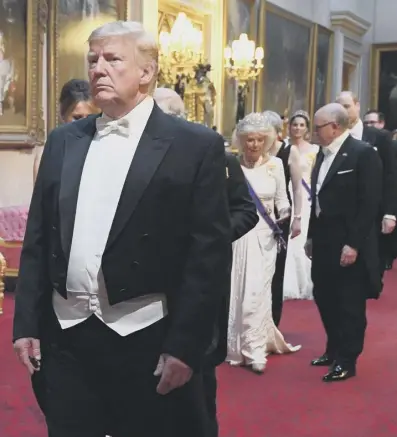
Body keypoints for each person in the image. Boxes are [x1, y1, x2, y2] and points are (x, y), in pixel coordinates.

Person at [13, 21, 231, 437]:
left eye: (113, 59)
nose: (98, 69)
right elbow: (38, 238)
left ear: (147, 72)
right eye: (93, 59)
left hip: (146, 336)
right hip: (67, 337)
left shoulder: (194, 145)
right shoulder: (63, 140)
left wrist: (186, 347)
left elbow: (209, 257)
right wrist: (25, 324)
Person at [154, 86, 258, 437]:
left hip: (201, 280)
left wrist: (210, 236)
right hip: (149, 290)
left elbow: (246, 210)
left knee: (197, 389)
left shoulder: (218, 157)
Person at [307, 103, 382, 382]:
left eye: (318, 127)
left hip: (350, 242)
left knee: (348, 303)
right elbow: (317, 198)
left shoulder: (362, 154)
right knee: (324, 296)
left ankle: (347, 360)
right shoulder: (321, 154)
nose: (314, 132)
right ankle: (334, 347)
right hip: (324, 241)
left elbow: (368, 203)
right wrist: (311, 237)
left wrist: (353, 244)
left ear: (335, 127)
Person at [227, 112, 301, 374]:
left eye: (259, 140)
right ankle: (236, 345)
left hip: (265, 237)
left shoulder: (276, 166)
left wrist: (284, 213)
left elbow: (282, 199)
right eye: (249, 140)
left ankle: (255, 348)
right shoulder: (232, 166)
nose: (254, 145)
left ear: (267, 140)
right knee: (238, 291)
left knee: (257, 294)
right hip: (238, 237)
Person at [336, 91, 397, 277]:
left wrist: (390, 212)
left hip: (373, 212)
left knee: (370, 271)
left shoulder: (379, 137)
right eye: (339, 107)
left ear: (357, 106)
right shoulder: (334, 136)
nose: (343, 111)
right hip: (342, 214)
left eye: (347, 106)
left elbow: (390, 176)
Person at [263, 110, 303, 326]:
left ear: (277, 132)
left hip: (281, 215)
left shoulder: (290, 152)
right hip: (258, 215)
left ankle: (273, 322)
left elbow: (297, 189)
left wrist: (297, 217)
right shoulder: (256, 151)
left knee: (276, 270)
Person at [33, 79, 100, 183]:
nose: (84, 123)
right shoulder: (48, 153)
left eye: (90, 117)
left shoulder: (101, 149)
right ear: (63, 115)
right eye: (77, 118)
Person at [283, 110, 318, 301]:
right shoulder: (285, 148)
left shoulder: (314, 150)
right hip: (286, 191)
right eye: (294, 124)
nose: (297, 128)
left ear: (307, 128)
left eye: (301, 125)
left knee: (302, 234)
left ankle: (305, 281)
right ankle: (288, 281)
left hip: (305, 194)